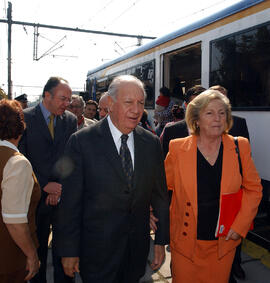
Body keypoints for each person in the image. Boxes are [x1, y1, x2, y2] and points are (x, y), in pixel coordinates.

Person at [55, 75, 170, 283]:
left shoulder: (151, 143)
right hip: (96, 254)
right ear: (110, 104)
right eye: (129, 102)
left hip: (135, 253)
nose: (136, 110)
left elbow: (160, 196)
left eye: (141, 103)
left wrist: (161, 240)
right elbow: (70, 202)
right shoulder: (82, 142)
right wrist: (69, 250)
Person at [165, 89, 262, 283]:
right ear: (196, 119)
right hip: (186, 243)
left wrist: (240, 225)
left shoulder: (239, 146)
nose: (217, 118)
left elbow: (254, 189)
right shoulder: (177, 148)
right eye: (209, 113)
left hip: (224, 245)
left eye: (222, 112)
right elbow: (163, 189)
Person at [19, 77, 77, 283]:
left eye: (69, 100)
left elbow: (70, 157)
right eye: (63, 98)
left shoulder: (70, 120)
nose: (67, 104)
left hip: (62, 198)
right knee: (38, 251)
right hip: (35, 198)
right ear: (47, 96)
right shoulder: (24, 118)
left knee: (64, 250)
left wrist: (58, 188)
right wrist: (44, 185)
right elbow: (22, 158)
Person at [209, 84, 250, 282]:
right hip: (210, 189)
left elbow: (245, 158)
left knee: (235, 231)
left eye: (222, 97)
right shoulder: (204, 122)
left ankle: (236, 265)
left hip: (233, 190)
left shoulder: (240, 123)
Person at [0, 99, 40, 282]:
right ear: (20, 127)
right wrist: (31, 255)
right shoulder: (17, 163)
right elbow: (14, 220)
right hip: (9, 259)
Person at [161, 85, 206, 158]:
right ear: (186, 105)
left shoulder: (218, 131)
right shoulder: (171, 131)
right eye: (195, 104)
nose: (200, 109)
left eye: (204, 104)